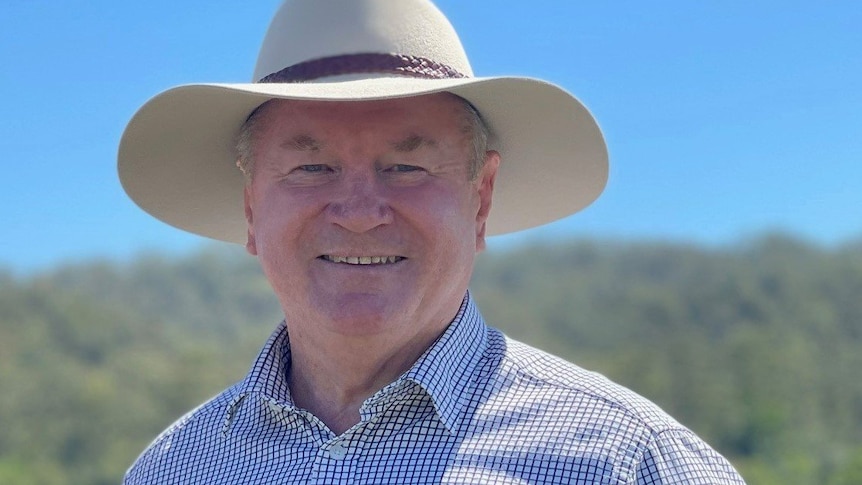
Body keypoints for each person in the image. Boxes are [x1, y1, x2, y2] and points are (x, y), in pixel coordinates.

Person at [118, 0, 746, 483]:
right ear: (252, 208)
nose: (360, 213)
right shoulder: (172, 468)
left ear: (482, 198)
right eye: (311, 168)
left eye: (408, 167)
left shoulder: (626, 462)